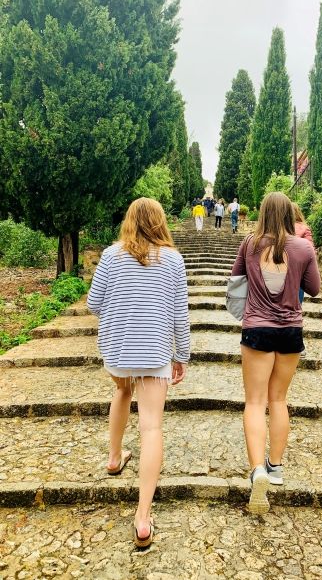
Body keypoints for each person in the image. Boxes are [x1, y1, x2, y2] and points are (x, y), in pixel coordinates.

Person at [87, 198, 190, 548]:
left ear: (129, 220)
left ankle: (114, 459)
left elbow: (93, 303)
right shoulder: (173, 260)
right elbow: (179, 314)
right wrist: (182, 355)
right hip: (155, 352)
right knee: (151, 427)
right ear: (160, 222)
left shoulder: (110, 255)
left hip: (117, 350)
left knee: (121, 392)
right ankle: (143, 518)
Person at [231, 192, 320, 514]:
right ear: (289, 215)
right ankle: (275, 468)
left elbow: (235, 281)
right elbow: (314, 288)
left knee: (254, 402)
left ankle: (257, 470)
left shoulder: (249, 244)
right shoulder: (303, 247)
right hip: (290, 331)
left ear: (264, 212)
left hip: (256, 328)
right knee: (278, 399)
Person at [292, 202, 315, 304]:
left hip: (280, 269)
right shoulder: (305, 228)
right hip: (299, 270)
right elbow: (311, 251)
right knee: (297, 303)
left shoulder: (280, 228)